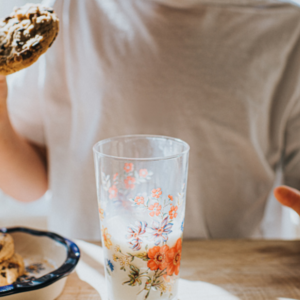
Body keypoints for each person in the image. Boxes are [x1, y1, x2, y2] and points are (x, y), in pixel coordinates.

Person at [0, 0, 300, 240]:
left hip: (233, 277)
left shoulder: (289, 33)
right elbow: (30, 184)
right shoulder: (70, 11)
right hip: (91, 271)